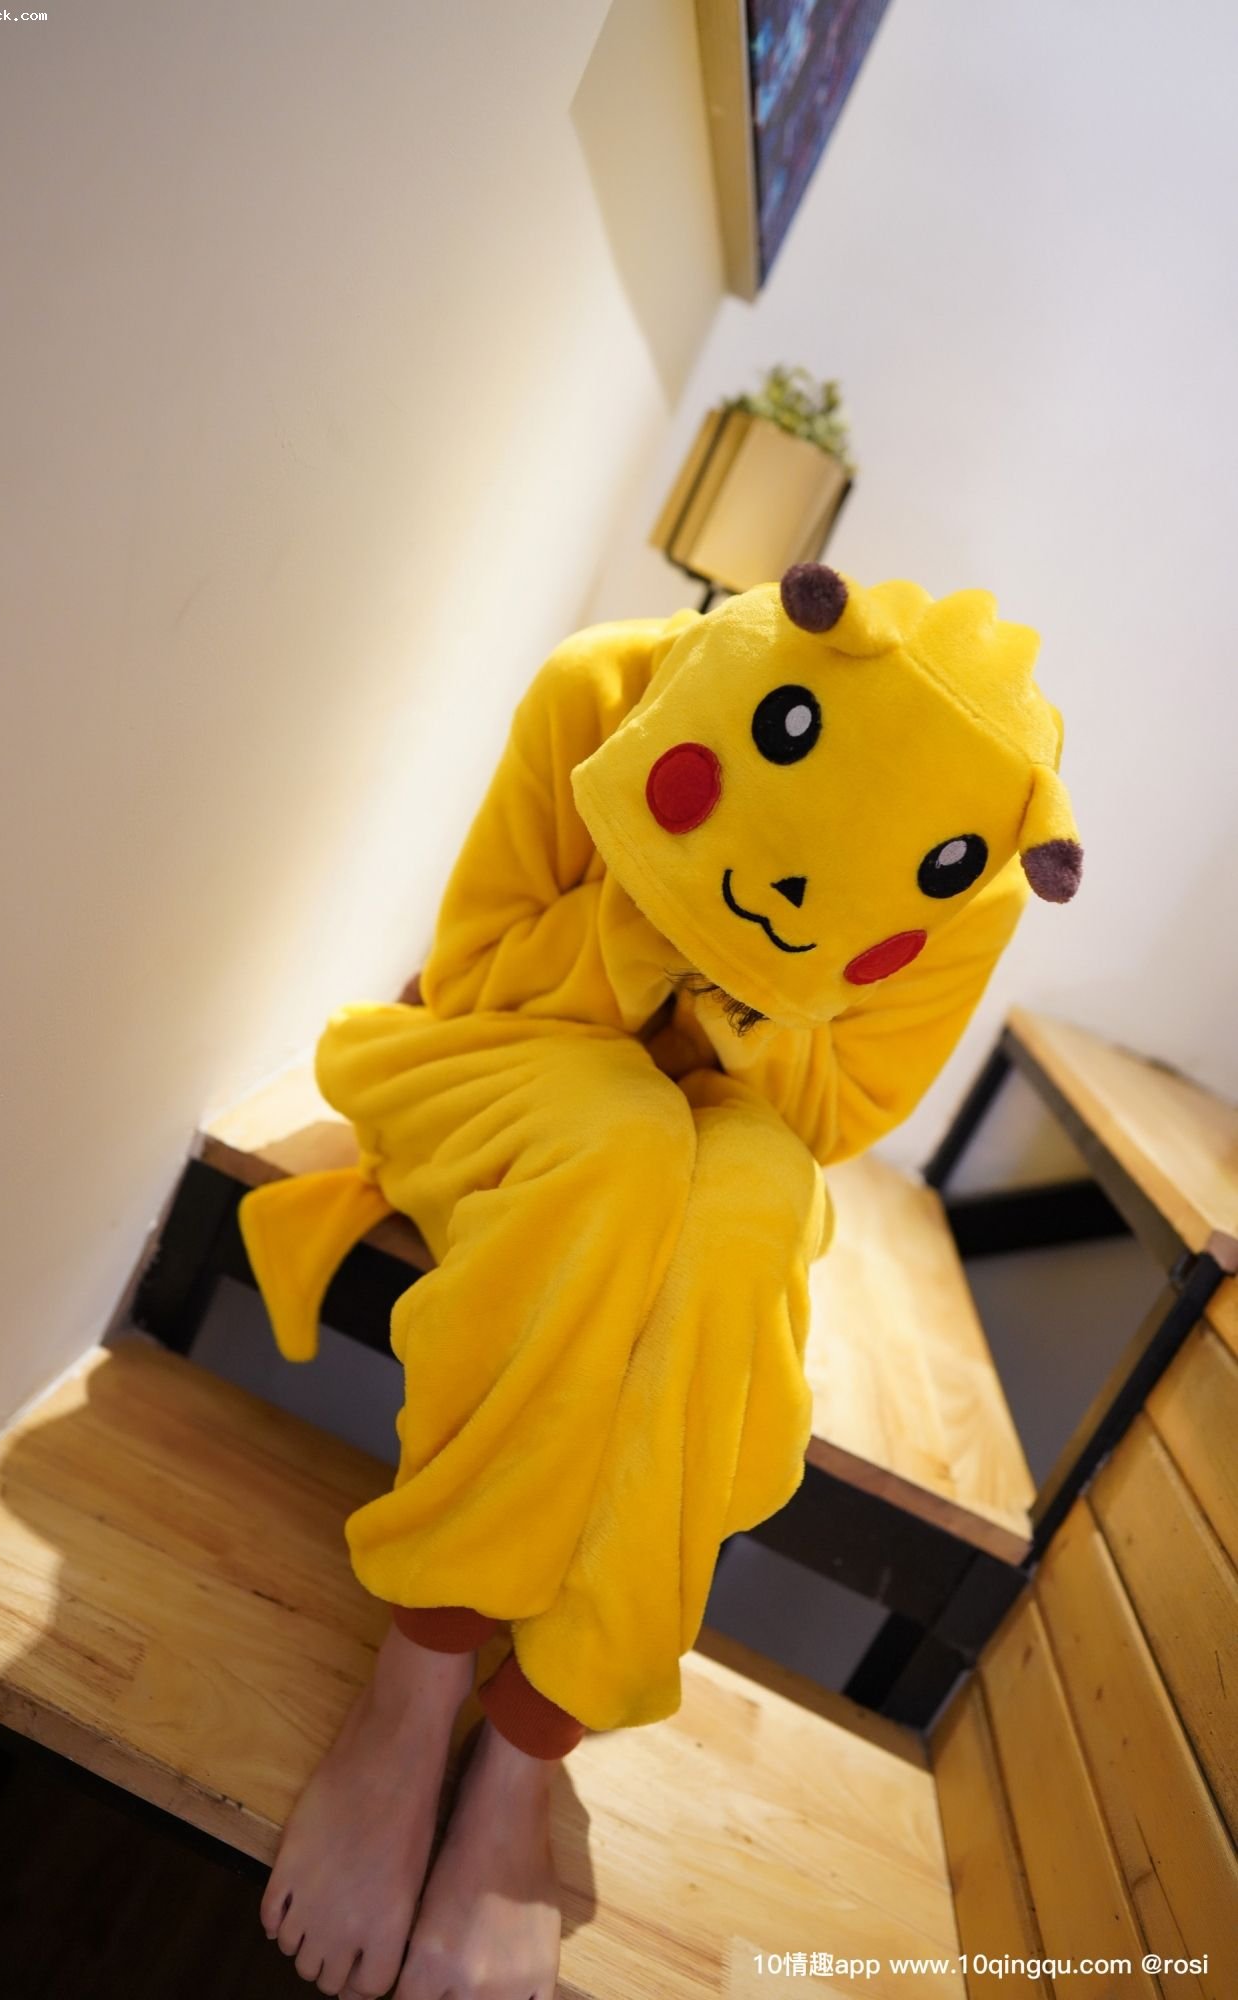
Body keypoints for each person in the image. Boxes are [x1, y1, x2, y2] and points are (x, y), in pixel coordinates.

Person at [239, 564, 1081, 1999]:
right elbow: (477, 969)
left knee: (749, 1215)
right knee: (618, 1153)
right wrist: (660, 914)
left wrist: (749, 993)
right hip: (500, 1052)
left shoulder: (982, 881)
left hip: (731, 1112)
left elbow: (835, 1113)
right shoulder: (606, 687)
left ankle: (531, 1735)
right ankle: (420, 1675)